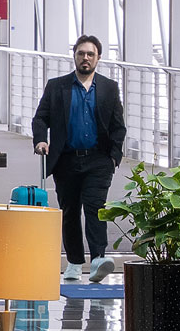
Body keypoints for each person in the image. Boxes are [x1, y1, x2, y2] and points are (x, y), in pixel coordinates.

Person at [31, 34, 125, 266]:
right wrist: (41, 140)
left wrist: (114, 156)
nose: (85, 58)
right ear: (74, 56)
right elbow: (40, 119)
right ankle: (73, 263)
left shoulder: (109, 88)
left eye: (90, 54)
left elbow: (118, 126)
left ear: (98, 58)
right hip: (66, 160)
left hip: (98, 160)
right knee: (70, 212)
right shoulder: (57, 86)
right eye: (81, 53)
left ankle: (98, 260)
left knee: (96, 209)